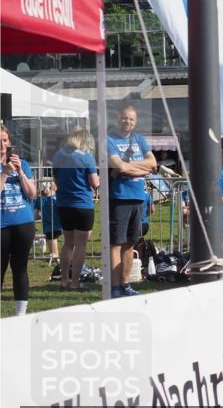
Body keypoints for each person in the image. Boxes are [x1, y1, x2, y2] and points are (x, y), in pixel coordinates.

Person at [106, 106, 157, 297]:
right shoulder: (109, 140)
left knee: (130, 243)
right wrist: (138, 168)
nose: (128, 122)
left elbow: (152, 164)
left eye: (132, 119)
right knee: (116, 244)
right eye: (125, 118)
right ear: (118, 119)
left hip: (138, 197)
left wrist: (128, 167)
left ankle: (125, 284)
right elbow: (117, 166)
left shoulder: (140, 139)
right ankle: (114, 287)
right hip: (119, 197)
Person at [53, 128, 99, 290]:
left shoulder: (59, 155)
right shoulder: (87, 157)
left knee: (67, 243)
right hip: (82, 204)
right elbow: (95, 182)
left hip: (64, 204)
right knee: (81, 245)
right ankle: (75, 282)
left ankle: (64, 279)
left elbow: (55, 179)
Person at [1, 124, 37, 315]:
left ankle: (20, 313)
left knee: (20, 268)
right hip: (2, 224)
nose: (1, 144)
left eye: (4, 140)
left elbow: (32, 193)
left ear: (10, 143)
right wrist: (5, 172)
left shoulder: (22, 164)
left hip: (23, 223)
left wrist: (20, 172)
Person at [35, 182, 61, 262]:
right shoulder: (57, 198)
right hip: (60, 224)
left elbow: (35, 215)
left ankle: (57, 260)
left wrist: (39, 215)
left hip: (48, 227)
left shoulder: (39, 200)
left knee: (54, 253)